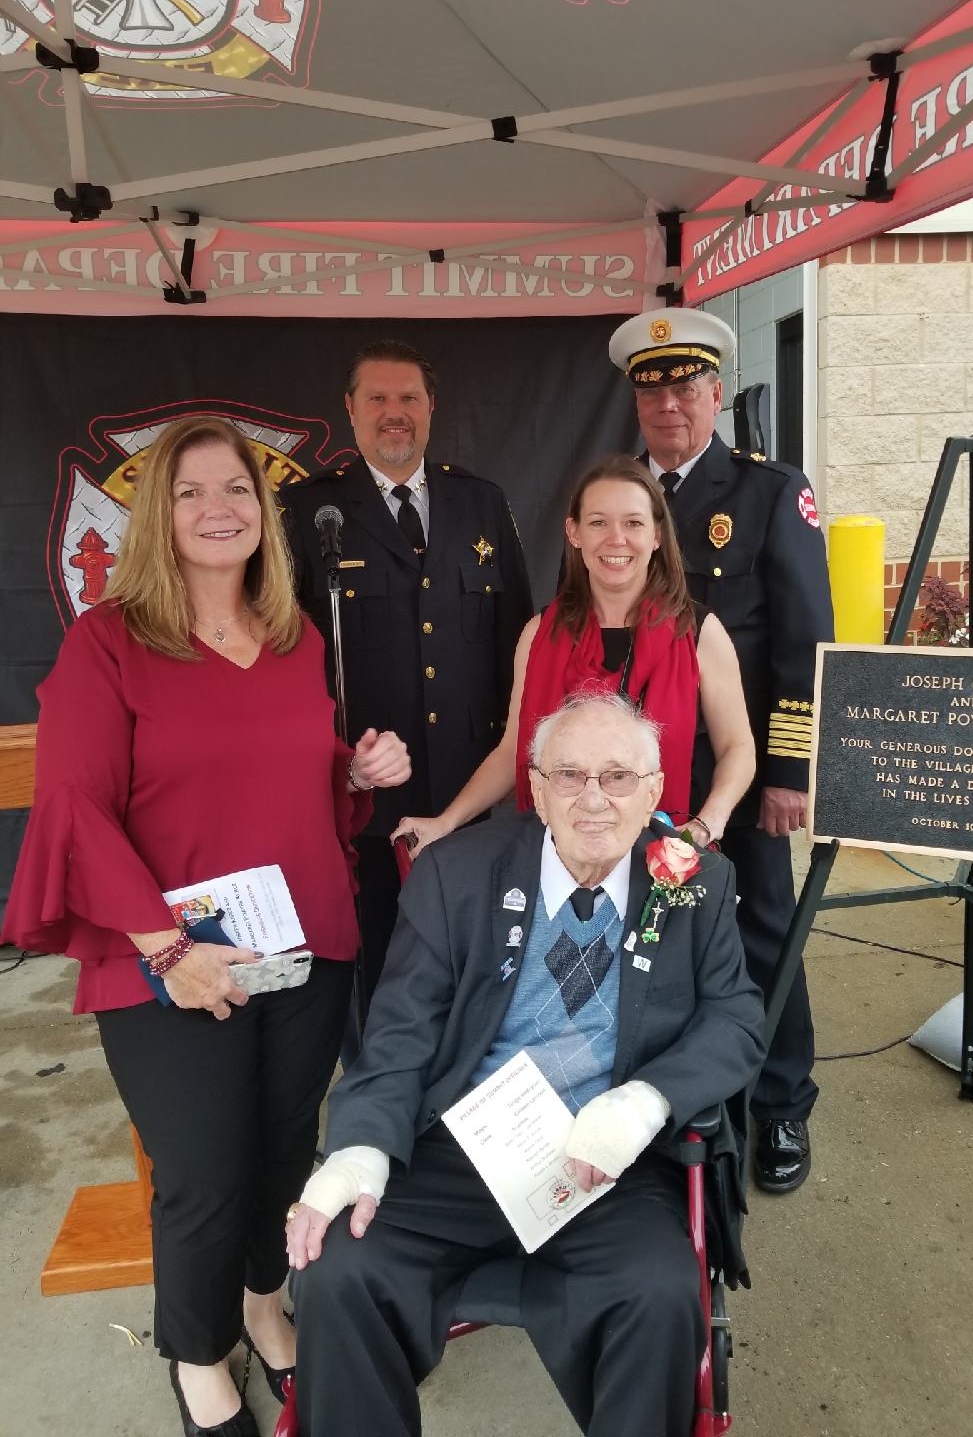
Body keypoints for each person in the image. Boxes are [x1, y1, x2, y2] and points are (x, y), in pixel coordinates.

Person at [0, 416, 410, 1437]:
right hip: (170, 963)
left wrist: (353, 774)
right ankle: (195, 1354)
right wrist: (168, 951)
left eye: (235, 490)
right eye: (190, 493)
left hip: (299, 946)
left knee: (283, 1150)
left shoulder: (294, 637)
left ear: (261, 512)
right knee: (202, 1174)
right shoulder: (108, 643)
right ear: (158, 517)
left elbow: (307, 792)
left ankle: (263, 1304)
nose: (218, 509)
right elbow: (77, 813)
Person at [286, 692, 765, 1437]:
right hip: (459, 1146)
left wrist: (644, 1103)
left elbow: (736, 1018)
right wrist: (361, 1148)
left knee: (661, 1292)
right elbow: (400, 1031)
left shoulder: (698, 882)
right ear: (535, 788)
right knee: (338, 1268)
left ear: (655, 791)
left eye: (617, 777)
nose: (593, 799)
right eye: (569, 775)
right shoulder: (458, 875)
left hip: (606, 1161)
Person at [607, 308, 834, 1196]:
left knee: (765, 930)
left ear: (716, 396)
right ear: (637, 401)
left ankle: (781, 1105)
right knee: (657, 935)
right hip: (640, 778)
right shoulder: (617, 497)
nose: (670, 404)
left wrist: (787, 773)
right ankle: (679, 1094)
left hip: (735, 776)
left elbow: (804, 644)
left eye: (687, 386)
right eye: (653, 388)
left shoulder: (768, 493)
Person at [280, 339, 532, 1051]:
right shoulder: (307, 513)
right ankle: (382, 1108)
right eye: (379, 399)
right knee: (380, 966)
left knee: (482, 957)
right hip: (365, 800)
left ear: (431, 408)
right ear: (350, 412)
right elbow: (281, 659)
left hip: (471, 791)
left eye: (410, 399)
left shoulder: (481, 502)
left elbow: (520, 646)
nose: (396, 414)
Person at [391, 453, 756, 860]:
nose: (616, 539)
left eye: (633, 523)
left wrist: (706, 826)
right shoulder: (538, 634)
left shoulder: (699, 632)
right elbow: (515, 749)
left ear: (657, 534)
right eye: (598, 522)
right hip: (553, 855)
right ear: (574, 532)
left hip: (658, 856)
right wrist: (445, 822)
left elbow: (738, 747)